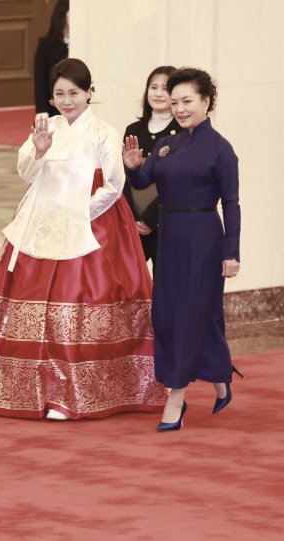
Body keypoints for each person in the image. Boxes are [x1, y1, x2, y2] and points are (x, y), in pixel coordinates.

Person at [0, 58, 167, 420]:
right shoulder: (47, 127)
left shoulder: (103, 131)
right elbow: (26, 172)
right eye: (59, 93)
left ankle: (72, 392)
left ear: (89, 92)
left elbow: (113, 184)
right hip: (41, 218)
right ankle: (28, 388)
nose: (66, 100)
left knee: (75, 301)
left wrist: (77, 215)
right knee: (32, 298)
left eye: (74, 92)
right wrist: (39, 149)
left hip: (92, 221)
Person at [123, 67, 242, 431]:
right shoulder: (168, 143)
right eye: (175, 102)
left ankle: (175, 398)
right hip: (170, 236)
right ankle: (221, 377)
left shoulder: (221, 149)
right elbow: (147, 179)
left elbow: (232, 204)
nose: (179, 108)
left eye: (187, 101)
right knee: (170, 313)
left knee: (191, 314)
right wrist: (133, 168)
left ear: (206, 102)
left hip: (204, 237)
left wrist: (231, 252)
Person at [123, 66, 181, 269]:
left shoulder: (182, 131)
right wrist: (133, 218)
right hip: (134, 227)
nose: (157, 93)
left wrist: (149, 219)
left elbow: (177, 182)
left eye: (165, 88)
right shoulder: (133, 130)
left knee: (165, 288)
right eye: (153, 87)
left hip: (167, 224)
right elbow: (125, 178)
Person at [33, 0, 68, 116]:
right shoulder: (46, 45)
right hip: (53, 108)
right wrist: (41, 111)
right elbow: (40, 82)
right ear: (62, 14)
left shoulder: (85, 44)